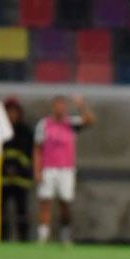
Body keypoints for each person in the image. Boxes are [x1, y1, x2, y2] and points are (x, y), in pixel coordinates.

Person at [34, 95, 96, 245]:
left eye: (62, 105)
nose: (60, 108)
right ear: (53, 107)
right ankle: (42, 237)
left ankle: (65, 234)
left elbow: (91, 121)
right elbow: (37, 149)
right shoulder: (44, 124)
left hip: (66, 170)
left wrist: (82, 106)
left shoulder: (72, 123)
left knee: (65, 203)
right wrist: (37, 170)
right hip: (48, 168)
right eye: (57, 105)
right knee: (45, 201)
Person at [1, 98, 34, 242]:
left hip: (21, 179)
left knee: (22, 209)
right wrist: (6, 168)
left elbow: (28, 156)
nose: (11, 115)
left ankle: (23, 238)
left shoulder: (25, 132)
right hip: (2, 179)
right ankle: (0, 237)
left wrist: (17, 169)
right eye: (8, 111)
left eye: (14, 111)